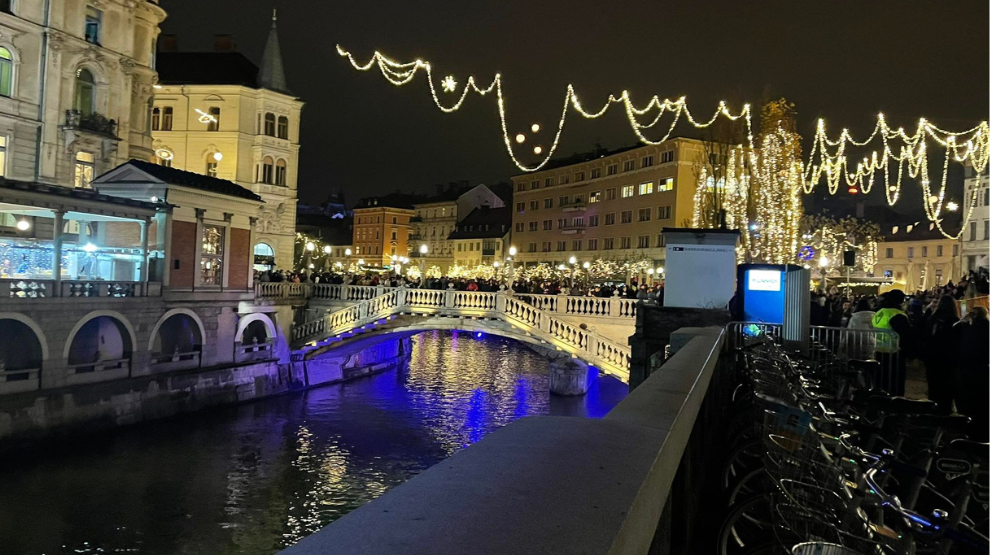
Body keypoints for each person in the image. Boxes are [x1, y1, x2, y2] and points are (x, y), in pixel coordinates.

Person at [954, 307, 989, 441]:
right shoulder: (985, 328)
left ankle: (967, 428)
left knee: (966, 400)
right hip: (982, 370)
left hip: (966, 370)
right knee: (981, 402)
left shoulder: (966, 329)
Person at [922, 295, 959, 414]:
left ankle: (933, 407)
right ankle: (945, 410)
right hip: (948, 359)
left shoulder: (932, 319)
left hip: (932, 358)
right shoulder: (954, 322)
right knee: (946, 387)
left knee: (933, 384)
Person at [872, 289, 912, 396]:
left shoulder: (880, 312)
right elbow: (905, 334)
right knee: (895, 381)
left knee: (881, 381)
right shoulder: (896, 314)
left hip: (879, 350)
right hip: (894, 352)